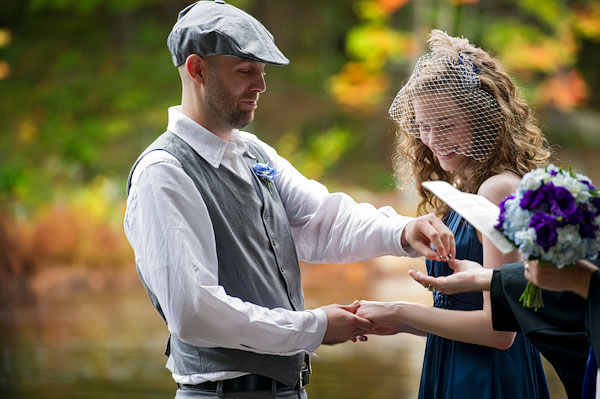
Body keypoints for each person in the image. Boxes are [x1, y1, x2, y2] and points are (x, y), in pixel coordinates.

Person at [123, 2, 456, 398]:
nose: (261, 86)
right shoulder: (164, 173)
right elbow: (193, 312)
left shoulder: (253, 153)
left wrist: (402, 231)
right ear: (197, 70)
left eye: (262, 73)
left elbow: (321, 221)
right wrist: (314, 328)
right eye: (246, 72)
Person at [356, 30, 552, 398]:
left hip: (485, 378)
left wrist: (401, 312)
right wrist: (393, 321)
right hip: (454, 360)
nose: (432, 139)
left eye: (446, 124)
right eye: (423, 126)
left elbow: (500, 331)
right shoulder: (463, 189)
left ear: (483, 119)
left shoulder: (496, 190)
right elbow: (457, 312)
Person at [409, 258, 598, 398]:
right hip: (444, 355)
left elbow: (500, 333)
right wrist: (406, 321)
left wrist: (403, 312)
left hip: (484, 369)